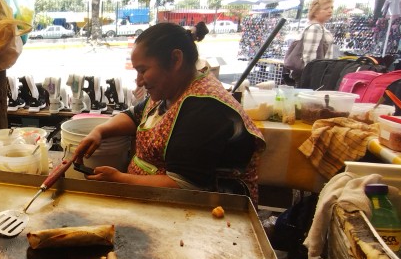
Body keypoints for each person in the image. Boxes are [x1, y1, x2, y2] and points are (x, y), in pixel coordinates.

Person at [72, 22, 266, 203]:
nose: (138, 81)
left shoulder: (204, 107)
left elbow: (185, 185)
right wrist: (99, 132)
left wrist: (120, 179)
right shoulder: (170, 90)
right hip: (156, 200)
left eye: (143, 70)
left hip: (210, 210)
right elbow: (134, 115)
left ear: (175, 60)